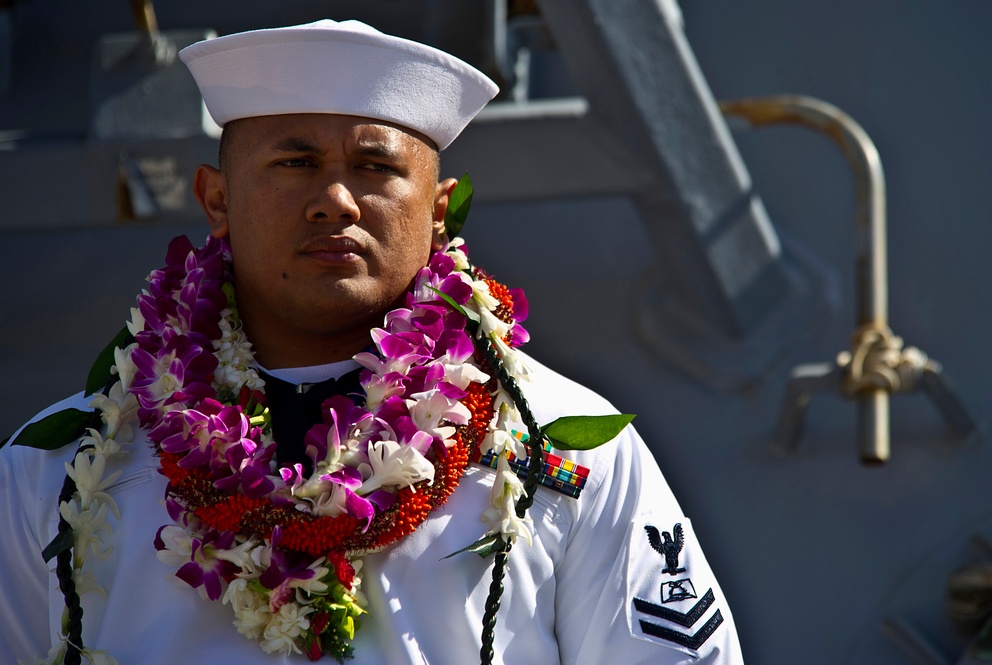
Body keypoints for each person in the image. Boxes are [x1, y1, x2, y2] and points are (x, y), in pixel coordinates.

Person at [0, 19, 744, 665]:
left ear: (440, 211)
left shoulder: (566, 454)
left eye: (377, 166)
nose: (336, 200)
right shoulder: (57, 470)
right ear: (217, 199)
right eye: (294, 163)